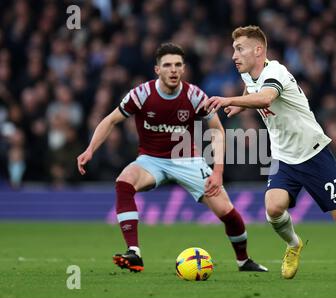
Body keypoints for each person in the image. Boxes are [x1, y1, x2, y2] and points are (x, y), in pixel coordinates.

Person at [204, 26, 336, 280]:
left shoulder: (277, 72)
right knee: (273, 208)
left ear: (258, 50)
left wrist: (229, 101)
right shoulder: (250, 75)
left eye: (239, 49)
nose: (233, 55)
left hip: (314, 155)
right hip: (284, 157)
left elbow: (265, 98)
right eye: (233, 50)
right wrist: (241, 107)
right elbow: (252, 89)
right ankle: (294, 245)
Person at [77, 43, 267, 273]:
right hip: (151, 159)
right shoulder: (141, 94)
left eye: (178, 65)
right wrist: (90, 150)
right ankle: (134, 253)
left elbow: (217, 130)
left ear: (184, 68)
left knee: (228, 213)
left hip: (188, 159)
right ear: (157, 70)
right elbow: (110, 120)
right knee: (123, 182)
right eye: (167, 65)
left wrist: (217, 171)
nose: (173, 70)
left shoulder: (195, 95)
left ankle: (243, 261)